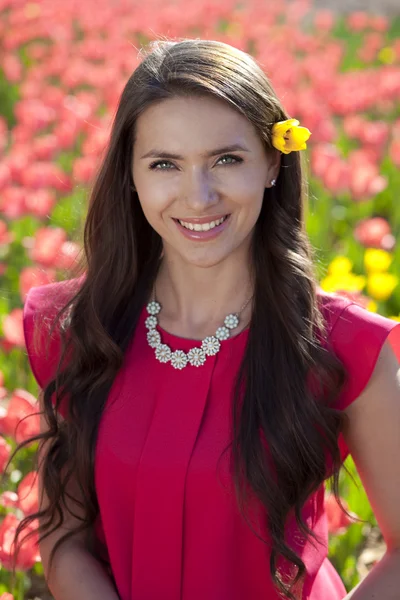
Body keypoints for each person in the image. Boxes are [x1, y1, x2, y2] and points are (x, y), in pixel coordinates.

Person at [17, 38, 400, 600]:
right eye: (165, 164)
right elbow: (64, 538)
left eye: (226, 159)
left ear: (272, 162)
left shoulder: (346, 349)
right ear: (131, 175)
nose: (197, 197)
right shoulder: (77, 329)